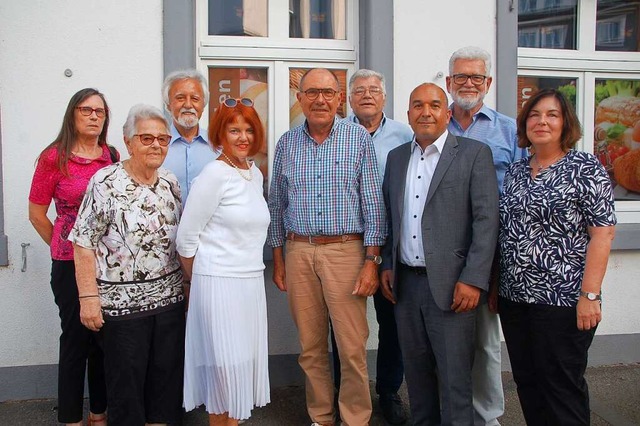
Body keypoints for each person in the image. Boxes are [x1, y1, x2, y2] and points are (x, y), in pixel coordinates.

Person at [268, 68, 386, 426]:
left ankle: (355, 419)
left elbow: (373, 204)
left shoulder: (357, 139)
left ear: (339, 99)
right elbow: (277, 205)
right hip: (299, 251)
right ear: (299, 98)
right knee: (311, 347)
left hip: (346, 252)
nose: (320, 99)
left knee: (352, 347)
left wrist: (372, 261)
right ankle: (321, 417)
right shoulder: (286, 144)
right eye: (312, 92)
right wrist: (279, 259)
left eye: (328, 92)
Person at [380, 83, 499, 425]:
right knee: (417, 379)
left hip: (453, 286)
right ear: (408, 115)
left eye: (434, 105)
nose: (426, 112)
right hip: (406, 287)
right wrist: (387, 263)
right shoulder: (397, 157)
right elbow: (392, 216)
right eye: (417, 105)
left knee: (454, 381)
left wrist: (474, 280)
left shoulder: (474, 154)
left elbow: (486, 221)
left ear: (447, 114)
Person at [498, 89, 616, 425]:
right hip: (515, 299)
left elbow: (602, 233)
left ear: (565, 123)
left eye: (552, 114)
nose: (542, 121)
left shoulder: (585, 167)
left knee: (561, 386)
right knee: (528, 383)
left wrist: (589, 295)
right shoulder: (518, 170)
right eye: (534, 115)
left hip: (563, 300)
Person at [69, 104, 186, 426]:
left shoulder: (170, 183)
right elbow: (82, 242)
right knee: (127, 388)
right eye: (147, 138)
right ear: (128, 141)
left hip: (169, 302)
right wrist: (88, 298)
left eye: (163, 139)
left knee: (165, 383)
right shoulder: (105, 182)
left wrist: (187, 288)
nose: (156, 146)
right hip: (122, 309)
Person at [446, 46, 527, 426]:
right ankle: (452, 411)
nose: (468, 83)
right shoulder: (433, 126)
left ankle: (488, 415)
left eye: (476, 77)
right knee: (444, 340)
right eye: (460, 76)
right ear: (448, 83)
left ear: (488, 83)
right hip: (440, 247)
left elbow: (523, 190)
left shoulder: (509, 130)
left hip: (488, 249)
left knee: (485, 340)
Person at [177, 97, 270, 425]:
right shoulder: (214, 174)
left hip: (250, 285)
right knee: (223, 375)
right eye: (234, 130)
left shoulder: (254, 174)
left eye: (248, 130)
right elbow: (186, 239)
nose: (242, 137)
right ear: (221, 133)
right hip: (218, 287)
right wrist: (202, 280)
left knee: (240, 369)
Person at [28, 88, 115, 426]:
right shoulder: (54, 157)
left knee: (102, 340)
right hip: (68, 263)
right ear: (72, 115)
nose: (94, 116)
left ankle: (99, 413)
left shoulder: (111, 155)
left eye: (100, 111)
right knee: (75, 339)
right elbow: (36, 214)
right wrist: (62, 246)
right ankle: (70, 417)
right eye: (86, 110)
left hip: (106, 263)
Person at [345, 69, 413, 425]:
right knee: (343, 326)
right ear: (350, 98)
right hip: (347, 243)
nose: (367, 95)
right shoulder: (339, 133)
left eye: (374, 90)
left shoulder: (405, 134)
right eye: (359, 90)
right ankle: (346, 393)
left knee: (393, 323)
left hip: (390, 244)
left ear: (384, 97)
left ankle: (388, 391)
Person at [162, 69, 219, 203]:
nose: (188, 105)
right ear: (168, 105)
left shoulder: (219, 146)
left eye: (195, 98)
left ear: (203, 105)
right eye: (180, 98)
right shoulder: (156, 146)